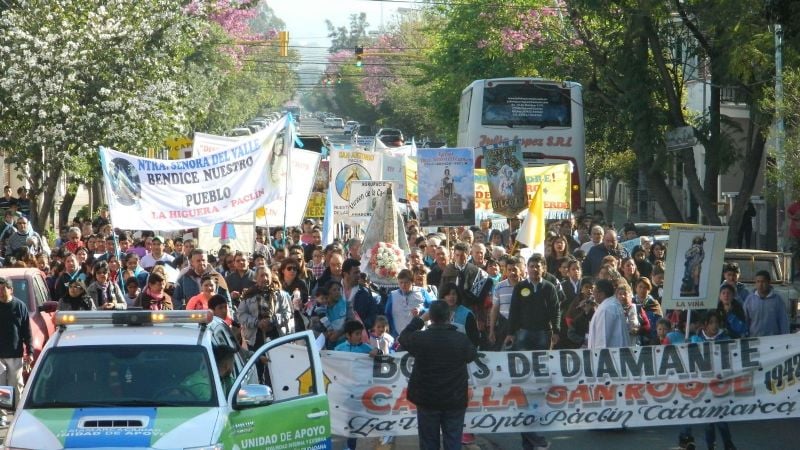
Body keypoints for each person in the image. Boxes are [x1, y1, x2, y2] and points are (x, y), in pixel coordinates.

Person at [398, 301, 477, 450]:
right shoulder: (460, 339)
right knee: (453, 442)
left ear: (431, 317)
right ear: (450, 316)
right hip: (454, 399)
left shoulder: (420, 338)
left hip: (427, 399)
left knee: (429, 443)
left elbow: (403, 336)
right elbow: (472, 355)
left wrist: (421, 318)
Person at [504, 254, 558, 450]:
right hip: (524, 334)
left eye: (538, 266)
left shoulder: (549, 287)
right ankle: (526, 395)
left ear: (543, 268)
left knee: (540, 373)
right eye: (532, 266)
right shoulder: (520, 287)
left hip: (544, 333)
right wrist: (510, 333)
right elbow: (514, 311)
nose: (535, 269)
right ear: (527, 268)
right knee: (524, 374)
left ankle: (539, 397)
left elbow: (555, 310)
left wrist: (556, 331)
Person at [684, 311, 738, 450]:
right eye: (711, 322)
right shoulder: (696, 339)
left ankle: (728, 442)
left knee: (720, 418)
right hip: (703, 385)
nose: (714, 325)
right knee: (708, 419)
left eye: (717, 322)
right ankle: (711, 445)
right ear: (705, 324)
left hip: (720, 383)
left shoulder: (725, 339)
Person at [0, 276, 33, 426]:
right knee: (1, 386)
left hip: (15, 353)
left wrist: (30, 352)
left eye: (3, 289)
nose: (1, 292)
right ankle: (3, 415)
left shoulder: (20, 306)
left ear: (10, 290)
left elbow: (27, 331)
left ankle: (17, 415)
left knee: (15, 385)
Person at [488, 255, 524, 350]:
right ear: (505, 271)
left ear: (520, 270)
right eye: (509, 269)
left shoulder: (527, 286)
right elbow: (495, 309)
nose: (512, 272)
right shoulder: (499, 287)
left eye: (515, 269)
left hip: (522, 326)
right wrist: (491, 330)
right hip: (504, 325)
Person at [385, 269, 430, 340]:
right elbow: (388, 314)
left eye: (406, 282)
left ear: (412, 282)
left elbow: (433, 309)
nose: (403, 285)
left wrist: (421, 310)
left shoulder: (422, 292)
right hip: (398, 335)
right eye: (401, 282)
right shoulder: (392, 295)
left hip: (420, 334)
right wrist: (392, 331)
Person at [743, 270, 789, 337]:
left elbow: (783, 321)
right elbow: (745, 320)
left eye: (763, 282)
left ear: (769, 282)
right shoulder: (750, 300)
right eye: (758, 282)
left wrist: (785, 338)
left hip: (772, 339)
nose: (760, 285)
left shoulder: (777, 300)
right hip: (754, 339)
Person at [587, 279, 630, 348]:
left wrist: (598, 356)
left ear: (601, 294)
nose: (593, 294)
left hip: (609, 356)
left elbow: (602, 339)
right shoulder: (611, 304)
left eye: (594, 291)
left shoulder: (606, 309)